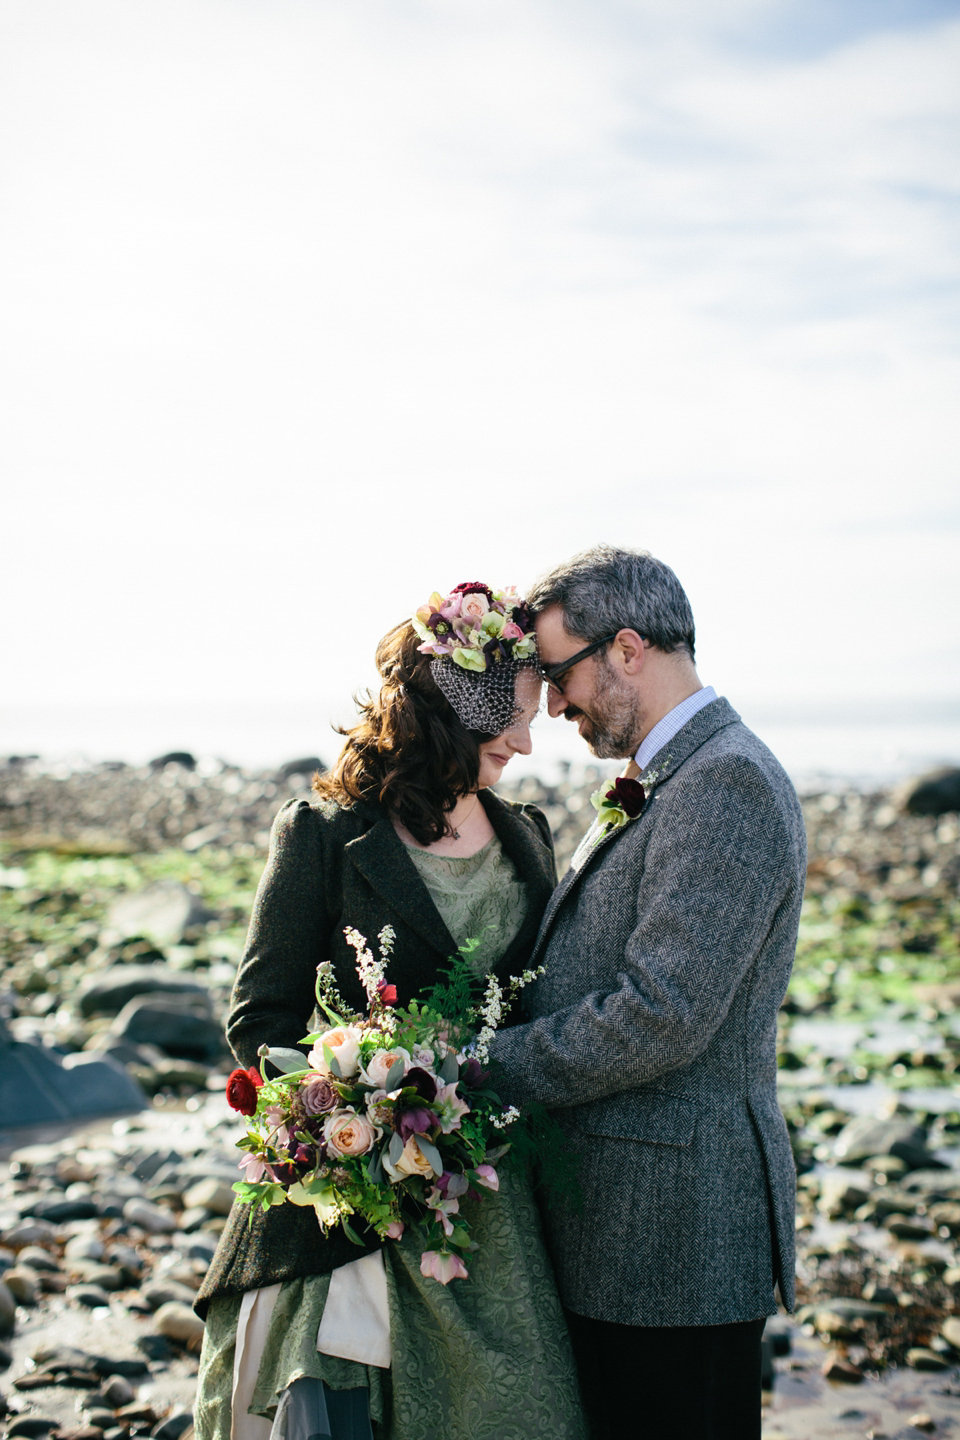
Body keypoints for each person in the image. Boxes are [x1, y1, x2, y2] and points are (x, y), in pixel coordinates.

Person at [193, 582, 586, 1440]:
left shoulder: (529, 835)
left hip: (495, 1207)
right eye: (510, 717)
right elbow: (260, 1018)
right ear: (453, 711)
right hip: (346, 1215)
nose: (526, 741)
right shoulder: (326, 834)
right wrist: (353, 1118)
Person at [488, 545, 806, 1440]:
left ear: (627, 648)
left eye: (559, 673)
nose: (552, 705)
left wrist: (476, 1068)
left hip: (677, 1241)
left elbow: (659, 1015)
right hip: (634, 1232)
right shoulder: (671, 776)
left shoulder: (725, 784)